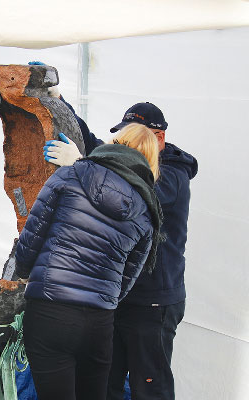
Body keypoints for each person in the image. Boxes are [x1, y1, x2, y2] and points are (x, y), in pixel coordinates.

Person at [45, 101, 198, 400]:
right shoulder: (130, 162)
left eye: (131, 140)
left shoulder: (171, 178)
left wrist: (80, 166)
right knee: (105, 382)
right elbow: (96, 145)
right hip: (119, 296)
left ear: (159, 139)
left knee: (150, 388)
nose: (123, 148)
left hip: (153, 303)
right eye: (121, 139)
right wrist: (58, 99)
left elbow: (125, 195)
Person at [16, 123, 163, 400]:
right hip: (99, 321)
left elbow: (32, 236)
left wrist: (23, 272)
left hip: (51, 309)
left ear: (116, 142)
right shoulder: (147, 210)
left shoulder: (71, 173)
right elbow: (128, 279)